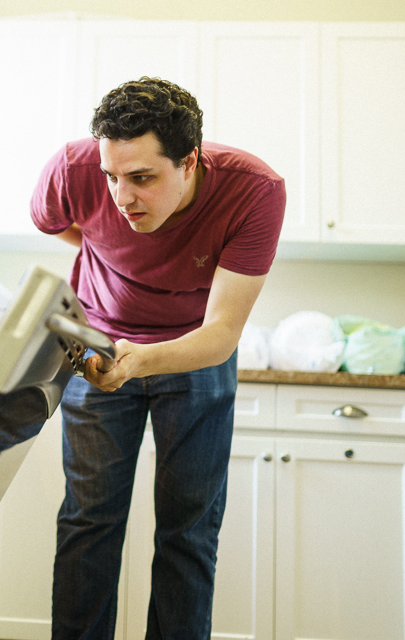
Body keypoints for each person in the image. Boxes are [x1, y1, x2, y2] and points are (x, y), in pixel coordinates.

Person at [30, 77, 285, 640]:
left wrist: (142, 359)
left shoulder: (255, 190)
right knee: (88, 520)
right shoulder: (71, 169)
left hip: (195, 357)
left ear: (189, 161)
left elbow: (221, 332)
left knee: (189, 529)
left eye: (142, 178)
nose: (122, 198)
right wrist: (112, 263)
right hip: (97, 342)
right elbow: (57, 224)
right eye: (112, 177)